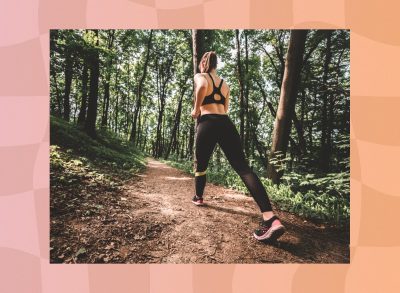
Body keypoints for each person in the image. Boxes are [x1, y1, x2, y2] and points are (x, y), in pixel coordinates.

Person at [191, 51, 285, 242]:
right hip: (226, 123)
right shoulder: (225, 84)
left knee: (201, 164)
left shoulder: (200, 76)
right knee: (243, 168)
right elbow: (225, 109)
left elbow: (201, 86)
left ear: (203, 64)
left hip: (207, 122)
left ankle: (199, 197)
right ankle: (271, 218)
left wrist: (196, 110)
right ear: (216, 65)